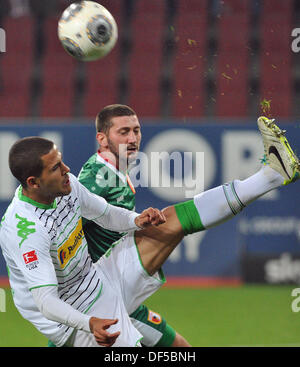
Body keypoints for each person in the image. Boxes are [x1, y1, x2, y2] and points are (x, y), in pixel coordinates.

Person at [0, 115, 299, 347]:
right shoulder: (25, 230)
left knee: (170, 221)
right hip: (74, 318)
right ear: (32, 183)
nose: (66, 170)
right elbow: (46, 302)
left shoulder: (66, 185)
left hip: (98, 275)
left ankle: (271, 175)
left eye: (62, 161)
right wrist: (89, 322)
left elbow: (104, 213)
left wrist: (135, 220)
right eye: (55, 168)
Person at [77, 104, 190, 347]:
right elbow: (68, 226)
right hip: (95, 298)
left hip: (121, 294)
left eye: (136, 131)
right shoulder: (96, 178)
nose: (133, 139)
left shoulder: (115, 170)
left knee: (179, 347)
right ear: (102, 138)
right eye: (124, 131)